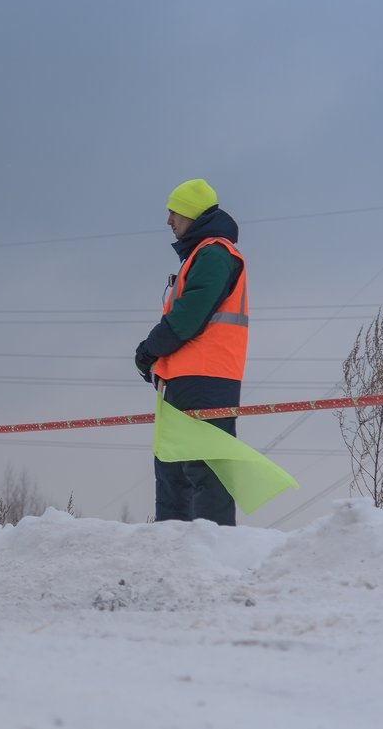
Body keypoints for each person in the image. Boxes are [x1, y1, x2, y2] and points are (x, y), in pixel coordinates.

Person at [134, 179, 247, 526]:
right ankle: (173, 550)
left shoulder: (214, 254)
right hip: (182, 377)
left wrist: (149, 349)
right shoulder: (202, 254)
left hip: (206, 377)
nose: (169, 220)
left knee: (203, 470)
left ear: (192, 213)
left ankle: (211, 551)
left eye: (174, 211)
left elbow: (188, 316)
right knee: (172, 469)